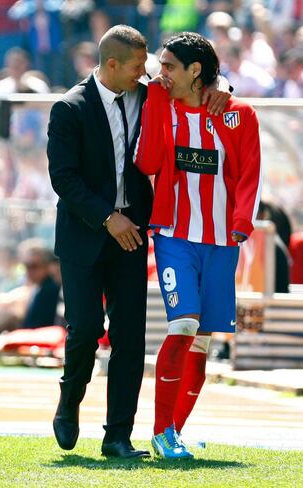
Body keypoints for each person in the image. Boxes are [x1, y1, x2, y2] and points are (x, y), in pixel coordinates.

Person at [47, 24, 230, 459]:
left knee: (129, 336)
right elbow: (64, 179)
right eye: (136, 66)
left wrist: (222, 86)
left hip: (132, 237)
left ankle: (118, 436)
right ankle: (69, 402)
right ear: (111, 64)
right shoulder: (69, 108)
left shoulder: (148, 95)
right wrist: (108, 218)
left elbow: (192, 81)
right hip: (85, 237)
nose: (145, 74)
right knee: (86, 330)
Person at [135, 32, 261, 459]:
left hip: (223, 241)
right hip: (174, 236)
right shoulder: (161, 106)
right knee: (183, 327)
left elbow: (250, 173)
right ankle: (159, 432)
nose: (161, 73)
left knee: (203, 341)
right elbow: (148, 162)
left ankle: (173, 432)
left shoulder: (237, 113)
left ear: (196, 71)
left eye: (169, 66)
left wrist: (242, 224)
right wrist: (155, 99)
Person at [0, 239, 62, 334]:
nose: (29, 271)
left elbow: (37, 325)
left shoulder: (49, 289)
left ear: (47, 265)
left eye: (34, 266)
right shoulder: (39, 287)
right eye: (26, 266)